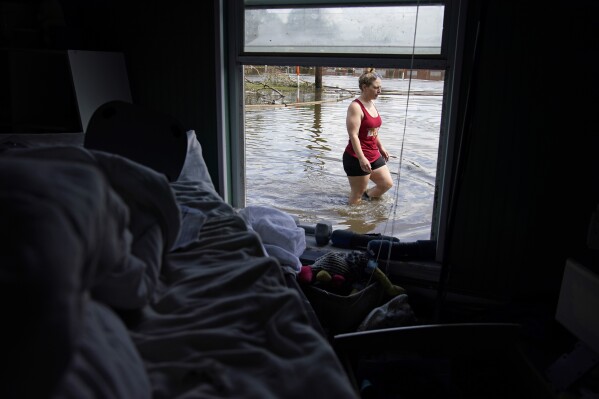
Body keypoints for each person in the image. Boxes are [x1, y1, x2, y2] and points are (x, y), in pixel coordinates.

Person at [343, 68, 393, 205]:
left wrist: (381, 147)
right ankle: (354, 220)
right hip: (356, 157)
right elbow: (353, 135)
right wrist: (361, 158)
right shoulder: (355, 107)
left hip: (373, 153)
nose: (379, 91)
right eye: (376, 87)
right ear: (364, 87)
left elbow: (372, 130)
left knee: (386, 184)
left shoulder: (371, 103)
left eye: (380, 87)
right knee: (356, 196)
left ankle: (366, 200)